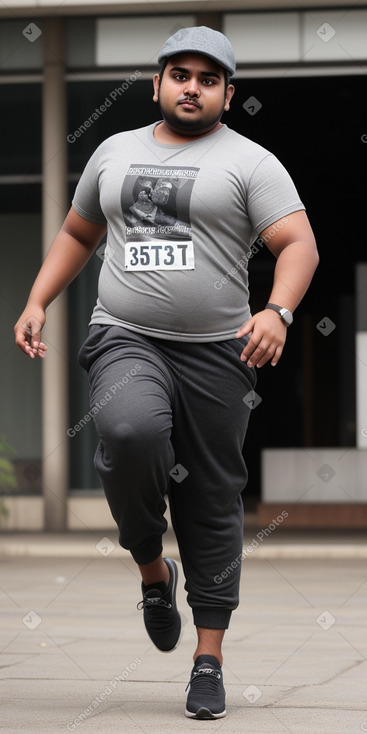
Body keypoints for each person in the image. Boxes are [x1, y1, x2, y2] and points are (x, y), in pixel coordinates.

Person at [14, 25, 319, 720]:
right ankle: (153, 567)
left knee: (212, 497)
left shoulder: (251, 162)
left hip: (218, 351)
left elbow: (297, 242)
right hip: (126, 336)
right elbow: (77, 232)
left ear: (227, 95)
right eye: (179, 74)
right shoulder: (113, 152)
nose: (192, 87)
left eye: (208, 79)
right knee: (128, 433)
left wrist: (277, 310)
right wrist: (37, 299)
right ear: (156, 84)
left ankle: (207, 658)